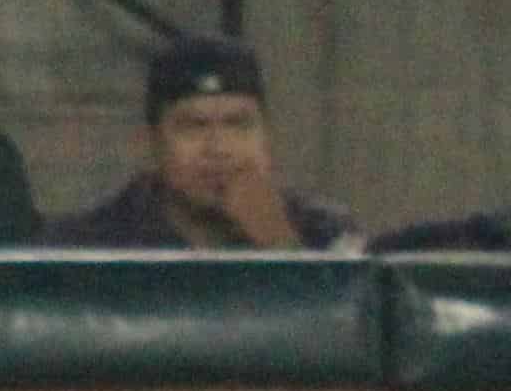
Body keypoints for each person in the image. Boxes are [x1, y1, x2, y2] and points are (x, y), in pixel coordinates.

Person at [41, 35, 360, 251]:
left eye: (238, 124)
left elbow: (351, 340)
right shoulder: (88, 247)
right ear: (150, 145)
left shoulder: (323, 233)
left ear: (267, 137)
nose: (219, 148)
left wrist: (281, 246)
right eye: (193, 127)